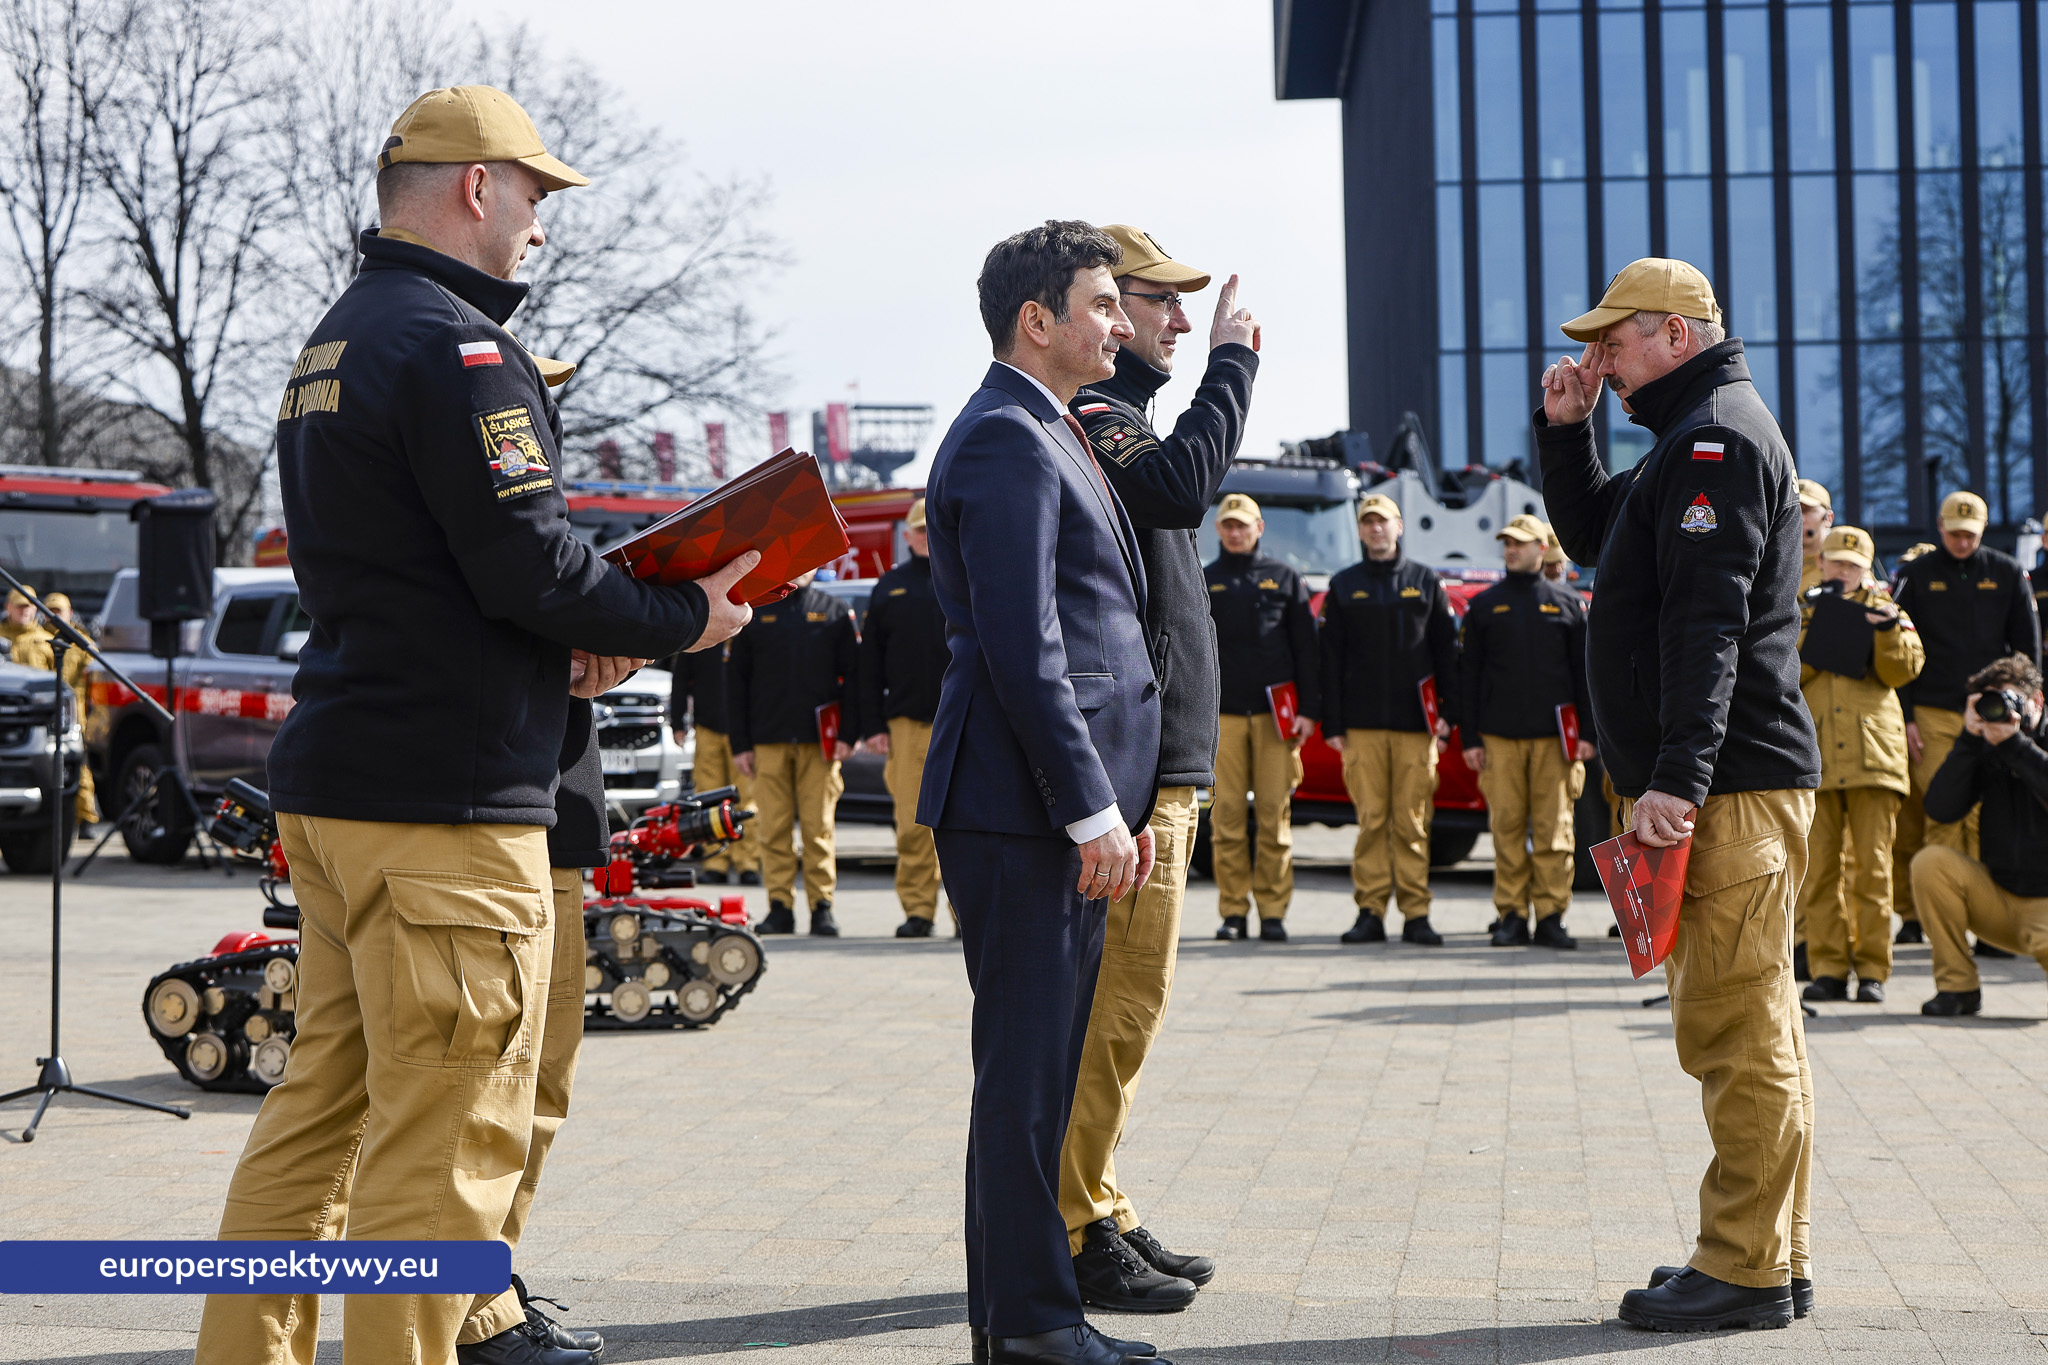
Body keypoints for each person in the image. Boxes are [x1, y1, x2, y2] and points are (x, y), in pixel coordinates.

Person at [195, 86, 755, 1365]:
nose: (542, 222)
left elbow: (453, 577)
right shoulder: (461, 349)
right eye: (536, 192)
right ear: (475, 185)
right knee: (443, 1145)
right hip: (441, 812)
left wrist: (585, 625)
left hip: (344, 789)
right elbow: (531, 567)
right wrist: (686, 614)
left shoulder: (334, 343)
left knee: (316, 1119)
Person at [1537, 257, 1820, 1332]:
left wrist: (1673, 782)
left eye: (1613, 342)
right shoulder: (1691, 436)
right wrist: (1566, 433)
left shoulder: (1712, 441)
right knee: (1759, 1026)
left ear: (1674, 332)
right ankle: (1769, 1254)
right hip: (1733, 783)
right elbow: (1596, 537)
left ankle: (1743, 1268)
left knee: (1734, 1033)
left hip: (1726, 788)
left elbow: (1708, 627)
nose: (1600, 362)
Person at [918, 220, 1170, 1365]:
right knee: (1024, 1086)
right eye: (1103, 304)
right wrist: (1090, 809)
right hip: (1019, 809)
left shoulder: (1046, 427)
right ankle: (1030, 1327)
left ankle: (1020, 1323)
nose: (1120, 323)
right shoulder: (1005, 438)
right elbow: (1025, 648)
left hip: (1040, 805)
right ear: (1037, 320)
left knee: (1038, 1080)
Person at [1056, 224, 1251, 1313]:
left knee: (1129, 1008)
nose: (1177, 319)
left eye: (1185, 305)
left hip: (1159, 765)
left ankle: (1098, 1199)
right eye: (1156, 300)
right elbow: (1179, 486)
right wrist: (1232, 364)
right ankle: (1072, 1222)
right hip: (1132, 772)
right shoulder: (1096, 414)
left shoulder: (1115, 415)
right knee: (1113, 1009)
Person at [1320, 493, 1457, 946]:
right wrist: (1333, 723)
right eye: (1368, 522)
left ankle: (1416, 914)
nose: (1376, 528)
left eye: (1383, 521)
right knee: (1372, 821)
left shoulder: (1425, 581)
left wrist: (1449, 716)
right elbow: (1329, 660)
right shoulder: (1344, 585)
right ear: (1360, 530)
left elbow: (1447, 654)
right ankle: (1371, 912)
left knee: (1412, 822)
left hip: (1417, 727)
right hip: (1361, 727)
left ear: (1399, 526)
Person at [1794, 526, 1923, 1006]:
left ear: (1867, 568)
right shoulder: (1801, 609)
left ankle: (1872, 970)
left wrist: (1885, 632)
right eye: (1836, 562)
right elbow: (1784, 672)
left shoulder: (1890, 610)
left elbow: (1904, 671)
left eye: (1853, 564)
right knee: (1820, 872)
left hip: (1874, 758)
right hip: (1819, 756)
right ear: (1822, 563)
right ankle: (1828, 970)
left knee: (1873, 870)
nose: (1843, 571)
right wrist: (1821, 630)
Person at [1457, 514, 1593, 950]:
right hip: (1499, 738)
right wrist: (1470, 739)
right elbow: (1468, 677)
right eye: (1507, 543)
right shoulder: (1485, 605)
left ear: (1542, 548)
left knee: (1555, 831)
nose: (1512, 550)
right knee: (1507, 830)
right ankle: (1511, 915)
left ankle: (1551, 916)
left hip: (1555, 741)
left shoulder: (1568, 604)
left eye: (1520, 543)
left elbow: (1584, 676)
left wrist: (1588, 734)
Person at [1890, 491, 2041, 870]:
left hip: (1992, 711)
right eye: (1955, 533)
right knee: (1942, 810)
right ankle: (1943, 901)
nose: (1962, 542)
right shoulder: (1914, 575)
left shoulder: (2007, 572)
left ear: (1984, 529)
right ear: (1940, 526)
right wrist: (1906, 717)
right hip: (1932, 712)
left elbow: (2026, 648)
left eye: (1970, 535)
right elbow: (1899, 652)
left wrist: (2026, 700)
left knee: (1982, 813)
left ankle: (1984, 900)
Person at [1205, 492, 1319, 941]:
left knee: (1274, 818)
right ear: (1218, 530)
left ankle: (1273, 913)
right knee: (1227, 820)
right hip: (1224, 717)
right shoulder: (1204, 579)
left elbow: (1306, 649)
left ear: (1259, 528)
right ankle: (1233, 912)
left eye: (1243, 525)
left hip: (1277, 718)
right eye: (1228, 525)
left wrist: (1309, 710)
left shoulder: (1285, 577)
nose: (1236, 532)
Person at [1913, 655, 2048, 1016]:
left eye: (2009, 700)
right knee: (1931, 863)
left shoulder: (2021, 743)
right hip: (2000, 900)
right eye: (1990, 702)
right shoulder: (1985, 745)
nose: (2000, 711)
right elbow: (1941, 808)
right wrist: (1969, 741)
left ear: (2037, 700)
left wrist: (2017, 746)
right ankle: (1958, 988)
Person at [729, 568, 858, 937]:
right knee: (773, 829)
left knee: (819, 829)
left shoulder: (833, 610)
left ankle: (822, 907)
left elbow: (853, 678)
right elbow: (736, 682)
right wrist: (741, 744)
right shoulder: (756, 611)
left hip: (820, 744)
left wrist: (849, 734)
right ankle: (780, 906)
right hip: (768, 741)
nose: (802, 569)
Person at [858, 497, 950, 937]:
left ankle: (965, 916)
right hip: (907, 726)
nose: (927, 536)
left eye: (932, 528)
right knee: (913, 824)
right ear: (908, 536)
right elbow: (868, 665)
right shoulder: (889, 587)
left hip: (963, 721)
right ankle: (918, 911)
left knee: (964, 825)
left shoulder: (968, 576)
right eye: (919, 530)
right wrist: (872, 725)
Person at [671, 642, 760, 885]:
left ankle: (748, 863)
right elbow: (681, 676)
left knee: (747, 798)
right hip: (708, 727)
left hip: (744, 730)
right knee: (709, 799)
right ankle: (715, 863)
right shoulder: (702, 630)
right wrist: (677, 722)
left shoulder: (749, 628)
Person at [9, 591, 99, 826]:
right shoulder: (41, 639)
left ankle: (83, 816)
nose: (54, 617)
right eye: (50, 612)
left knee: (75, 763)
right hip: (32, 712)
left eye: (59, 612)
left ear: (70, 613)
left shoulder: (76, 642)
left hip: (69, 710)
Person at [1887, 540, 1939, 943]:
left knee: (1939, 824)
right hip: (1900, 723)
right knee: (1903, 830)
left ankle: (1936, 913)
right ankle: (1908, 914)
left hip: (1936, 715)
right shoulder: (1891, 608)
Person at [1797, 480, 1834, 594]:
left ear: (1828, 518)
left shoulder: (1842, 562)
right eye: (1792, 511)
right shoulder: (1768, 560)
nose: (1799, 518)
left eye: (1807, 511)